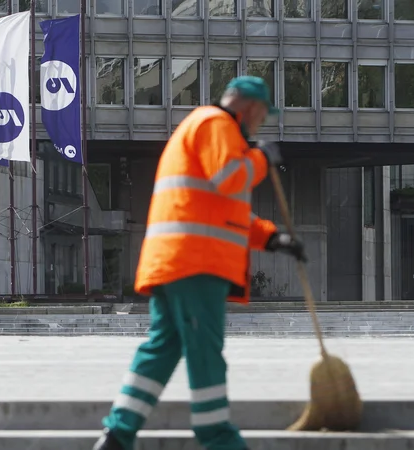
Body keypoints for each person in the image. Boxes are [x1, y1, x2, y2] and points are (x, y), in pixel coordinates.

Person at [93, 76, 307, 450]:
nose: (260, 125)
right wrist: (262, 157)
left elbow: (223, 212)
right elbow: (231, 179)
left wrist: (274, 239)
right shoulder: (216, 124)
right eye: (261, 116)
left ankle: (118, 434)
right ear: (250, 109)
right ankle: (217, 437)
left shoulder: (206, 128)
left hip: (176, 261)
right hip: (195, 265)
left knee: (162, 348)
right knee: (205, 350)